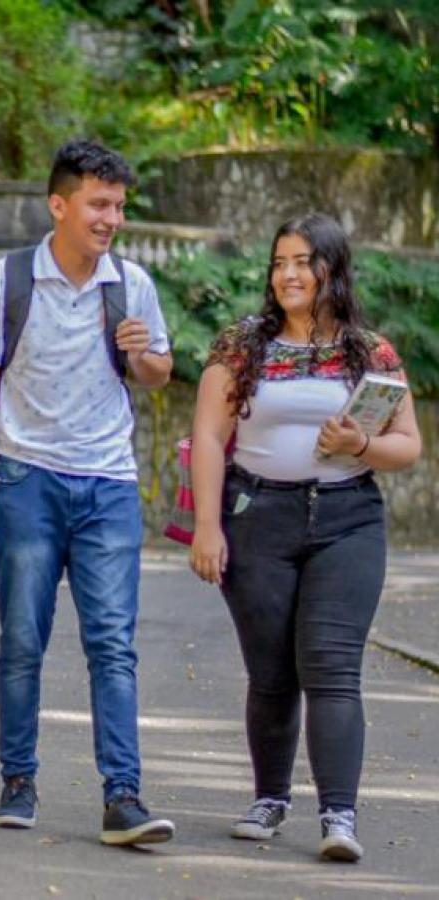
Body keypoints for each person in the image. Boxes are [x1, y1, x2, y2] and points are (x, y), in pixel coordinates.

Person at [0, 139, 176, 844]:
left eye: (118, 206)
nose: (110, 219)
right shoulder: (5, 281)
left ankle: (123, 795)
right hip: (26, 482)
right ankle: (18, 781)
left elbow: (160, 373)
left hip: (107, 484)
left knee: (112, 643)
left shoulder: (131, 284)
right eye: (98, 204)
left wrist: (142, 355)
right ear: (60, 205)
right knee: (22, 639)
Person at [190, 212, 421, 863]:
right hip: (257, 517)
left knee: (331, 666)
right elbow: (208, 435)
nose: (288, 274)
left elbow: (408, 446)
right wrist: (208, 526)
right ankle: (270, 798)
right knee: (270, 673)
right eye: (278, 262)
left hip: (348, 521)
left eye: (302, 262)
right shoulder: (242, 344)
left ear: (331, 269)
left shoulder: (369, 351)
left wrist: (361, 443)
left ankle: (339, 817)